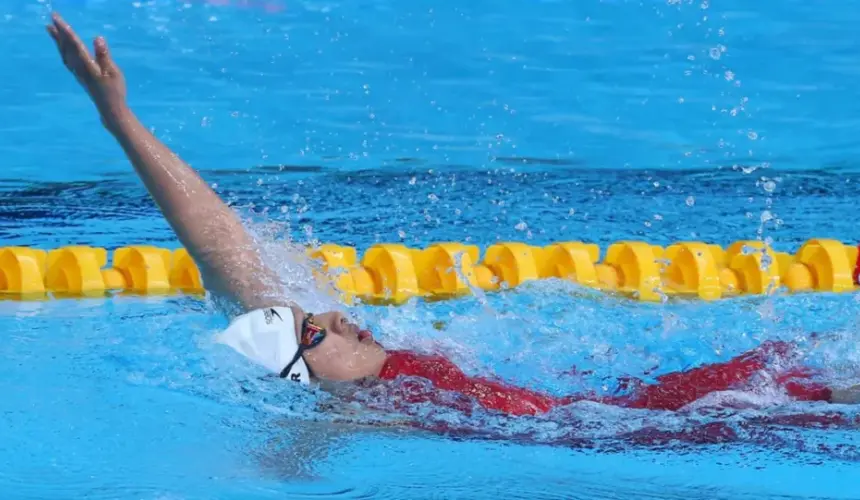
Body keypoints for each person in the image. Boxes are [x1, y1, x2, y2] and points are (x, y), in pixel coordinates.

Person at [45, 13, 860, 422]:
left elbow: (223, 247)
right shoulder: (363, 411)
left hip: (639, 398)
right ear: (303, 381)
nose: (332, 313)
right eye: (316, 332)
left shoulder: (363, 361)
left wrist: (118, 119)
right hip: (654, 426)